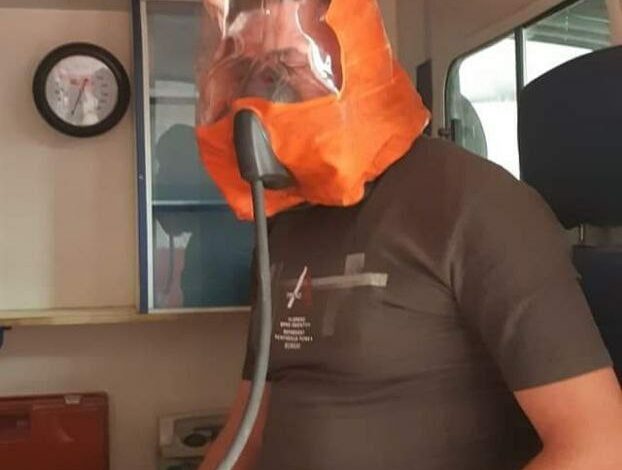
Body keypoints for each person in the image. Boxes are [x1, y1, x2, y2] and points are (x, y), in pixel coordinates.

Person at [195, 1, 622, 469]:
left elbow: (601, 446)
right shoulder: (281, 225)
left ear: (354, 54)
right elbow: (247, 432)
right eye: (241, 77)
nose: (254, 103)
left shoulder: (475, 203)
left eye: (282, 70)